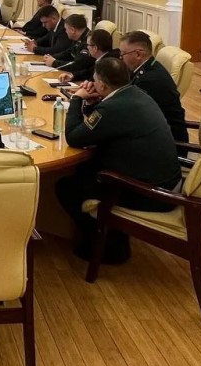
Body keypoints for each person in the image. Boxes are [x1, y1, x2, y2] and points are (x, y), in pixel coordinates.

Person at [57, 57, 182, 263]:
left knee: (66, 187)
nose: (92, 83)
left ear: (102, 84)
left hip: (150, 193)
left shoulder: (113, 108)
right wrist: (93, 104)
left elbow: (74, 137)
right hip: (164, 179)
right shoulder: (135, 93)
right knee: (83, 169)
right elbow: (103, 126)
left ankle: (105, 247)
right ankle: (110, 236)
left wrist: (77, 99)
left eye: (95, 80)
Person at [119, 31, 187, 143]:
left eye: (122, 54)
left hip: (164, 144)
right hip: (153, 134)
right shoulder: (148, 67)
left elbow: (127, 114)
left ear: (138, 54)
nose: (120, 58)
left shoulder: (149, 80)